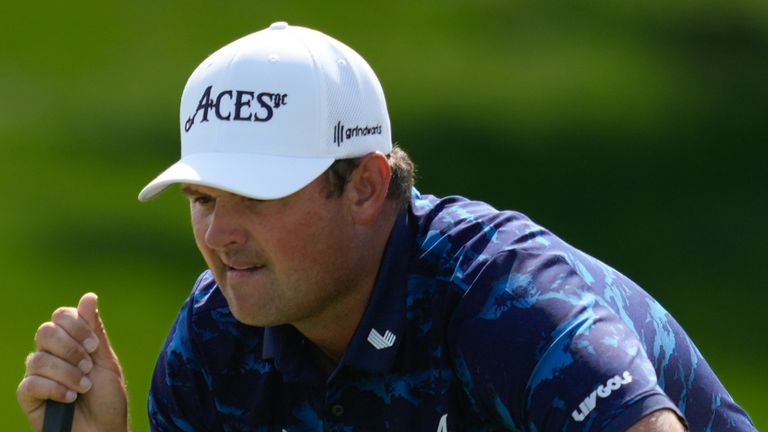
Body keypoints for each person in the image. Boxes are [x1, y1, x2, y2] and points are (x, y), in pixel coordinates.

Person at [18, 21, 756, 432]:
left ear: (367, 185)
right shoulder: (214, 344)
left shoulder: (511, 303)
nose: (222, 236)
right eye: (204, 199)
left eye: (259, 196)